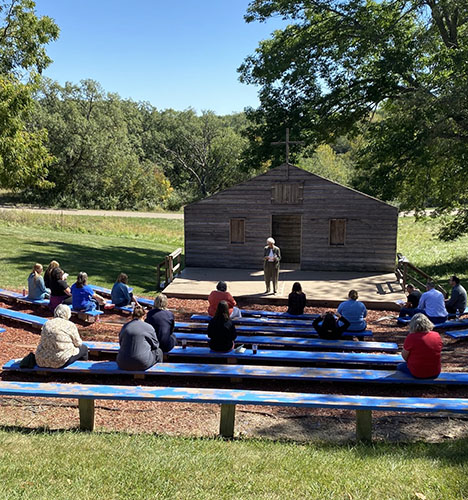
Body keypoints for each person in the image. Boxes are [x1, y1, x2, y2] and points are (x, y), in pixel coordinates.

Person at [35, 304, 89, 368]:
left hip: (42, 359)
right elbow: (78, 343)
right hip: (59, 360)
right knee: (84, 348)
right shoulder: (70, 325)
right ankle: (81, 369)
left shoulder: (47, 324)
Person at [397, 313, 443, 379]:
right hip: (435, 372)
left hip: (417, 373)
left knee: (400, 366)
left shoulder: (411, 337)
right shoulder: (436, 335)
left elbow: (404, 356)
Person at [117, 305, 163, 370]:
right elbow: (156, 345)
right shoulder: (148, 327)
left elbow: (121, 343)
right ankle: (159, 371)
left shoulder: (125, 326)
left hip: (122, 362)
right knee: (159, 352)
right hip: (142, 363)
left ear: (132, 316)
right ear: (143, 316)